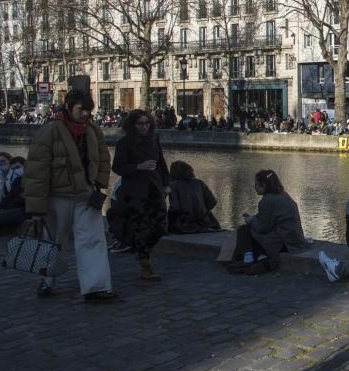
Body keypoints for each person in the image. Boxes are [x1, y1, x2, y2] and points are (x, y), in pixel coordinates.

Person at [23, 89, 116, 301]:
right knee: (54, 241)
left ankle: (95, 287)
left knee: (92, 240)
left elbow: (103, 158)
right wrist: (36, 208)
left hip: (86, 194)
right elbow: (37, 171)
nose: (84, 114)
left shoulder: (92, 130)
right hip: (58, 196)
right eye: (80, 109)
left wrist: (100, 183)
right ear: (68, 107)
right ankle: (47, 281)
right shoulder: (50, 132)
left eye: (87, 110)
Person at [112, 109, 170, 281]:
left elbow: (161, 164)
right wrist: (138, 166)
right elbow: (117, 167)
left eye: (147, 123)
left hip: (155, 188)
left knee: (161, 226)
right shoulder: (124, 143)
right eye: (140, 124)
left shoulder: (154, 139)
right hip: (136, 191)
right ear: (133, 125)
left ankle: (141, 251)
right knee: (142, 228)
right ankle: (145, 262)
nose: (144, 127)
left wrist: (166, 184)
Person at [235, 170, 312, 271]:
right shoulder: (283, 195)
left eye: (256, 184)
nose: (254, 187)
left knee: (244, 230)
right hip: (295, 240)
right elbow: (270, 216)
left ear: (263, 185)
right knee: (251, 230)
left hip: (284, 243)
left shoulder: (267, 201)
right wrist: (255, 218)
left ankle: (248, 258)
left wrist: (250, 221)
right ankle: (259, 256)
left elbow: (262, 228)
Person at [167, 160, 221, 234]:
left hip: (185, 225)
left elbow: (175, 208)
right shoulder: (199, 182)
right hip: (205, 222)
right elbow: (212, 202)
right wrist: (202, 210)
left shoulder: (173, 185)